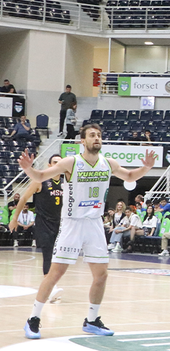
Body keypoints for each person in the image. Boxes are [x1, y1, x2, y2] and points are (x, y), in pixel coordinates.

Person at [19, 123, 155, 339]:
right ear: (82, 141)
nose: (97, 138)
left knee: (101, 275)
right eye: (92, 135)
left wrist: (146, 168)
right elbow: (40, 175)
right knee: (56, 273)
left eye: (99, 135)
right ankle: (33, 318)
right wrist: (28, 168)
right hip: (72, 223)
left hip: (94, 223)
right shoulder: (71, 162)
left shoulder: (107, 163)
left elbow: (129, 177)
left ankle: (92, 320)